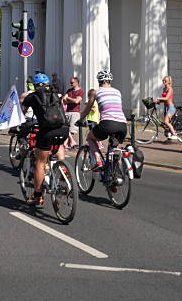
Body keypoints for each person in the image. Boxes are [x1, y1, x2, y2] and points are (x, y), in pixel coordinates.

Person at [20, 73, 69, 207]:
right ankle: (63, 168)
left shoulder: (31, 97)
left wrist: (16, 127)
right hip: (63, 129)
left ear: (34, 85)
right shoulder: (57, 93)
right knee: (58, 144)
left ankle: (37, 195)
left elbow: (21, 113)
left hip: (47, 131)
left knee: (40, 163)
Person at [77, 71, 127, 169]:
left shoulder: (96, 92)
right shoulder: (117, 92)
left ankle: (98, 160)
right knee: (114, 147)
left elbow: (87, 110)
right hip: (123, 124)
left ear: (99, 81)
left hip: (107, 123)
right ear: (110, 81)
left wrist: (80, 119)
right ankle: (115, 173)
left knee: (90, 137)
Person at [62, 76, 84, 149]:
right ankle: (70, 142)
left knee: (72, 130)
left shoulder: (81, 91)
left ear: (77, 82)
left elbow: (76, 101)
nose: (70, 84)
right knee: (65, 128)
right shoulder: (69, 90)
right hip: (67, 111)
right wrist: (70, 99)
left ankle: (66, 144)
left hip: (75, 112)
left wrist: (68, 98)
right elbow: (63, 101)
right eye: (70, 82)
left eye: (72, 82)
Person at [154, 75, 177, 141]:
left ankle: (174, 135)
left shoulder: (170, 89)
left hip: (171, 108)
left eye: (165, 81)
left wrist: (158, 98)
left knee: (166, 122)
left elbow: (167, 98)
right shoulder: (164, 89)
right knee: (166, 125)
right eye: (163, 80)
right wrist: (157, 101)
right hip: (166, 107)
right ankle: (169, 138)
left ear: (169, 82)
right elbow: (164, 100)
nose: (164, 82)